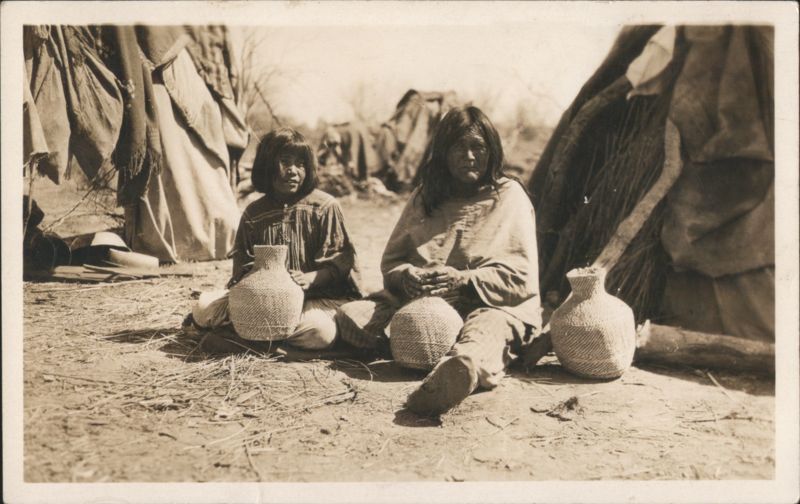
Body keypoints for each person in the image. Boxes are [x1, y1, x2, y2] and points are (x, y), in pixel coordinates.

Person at [336, 106, 542, 415]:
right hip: (421, 306)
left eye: (478, 147)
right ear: (443, 151)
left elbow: (520, 278)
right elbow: (392, 263)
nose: (469, 156)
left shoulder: (509, 196)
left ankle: (456, 372)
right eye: (459, 146)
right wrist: (406, 275)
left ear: (492, 151)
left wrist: (464, 279)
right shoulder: (426, 196)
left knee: (483, 335)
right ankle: (419, 346)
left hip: (489, 304)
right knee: (350, 317)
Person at [184, 127, 362, 351]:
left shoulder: (325, 207)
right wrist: (258, 278)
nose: (293, 171)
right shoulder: (254, 213)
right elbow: (241, 268)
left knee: (319, 332)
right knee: (203, 309)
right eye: (285, 162)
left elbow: (341, 264)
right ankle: (275, 344)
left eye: (301, 164)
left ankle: (248, 341)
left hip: (315, 298)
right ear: (267, 165)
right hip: (265, 299)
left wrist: (310, 278)